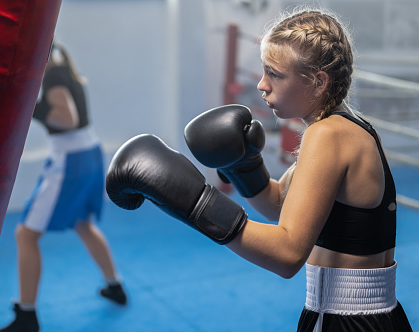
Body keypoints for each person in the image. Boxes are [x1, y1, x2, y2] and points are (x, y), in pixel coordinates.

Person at [105, 7, 413, 332]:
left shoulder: (329, 136)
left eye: (276, 74)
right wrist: (243, 167)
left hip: (348, 320)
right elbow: (281, 204)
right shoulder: (350, 128)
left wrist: (192, 202)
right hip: (365, 315)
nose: (263, 85)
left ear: (319, 81)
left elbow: (287, 253)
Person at [0, 42, 127, 332]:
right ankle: (115, 286)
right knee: (83, 224)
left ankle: (26, 316)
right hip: (89, 152)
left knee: (25, 235)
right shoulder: (63, 70)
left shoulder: (53, 76)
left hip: (71, 160)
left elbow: (67, 119)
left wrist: (29, 104)